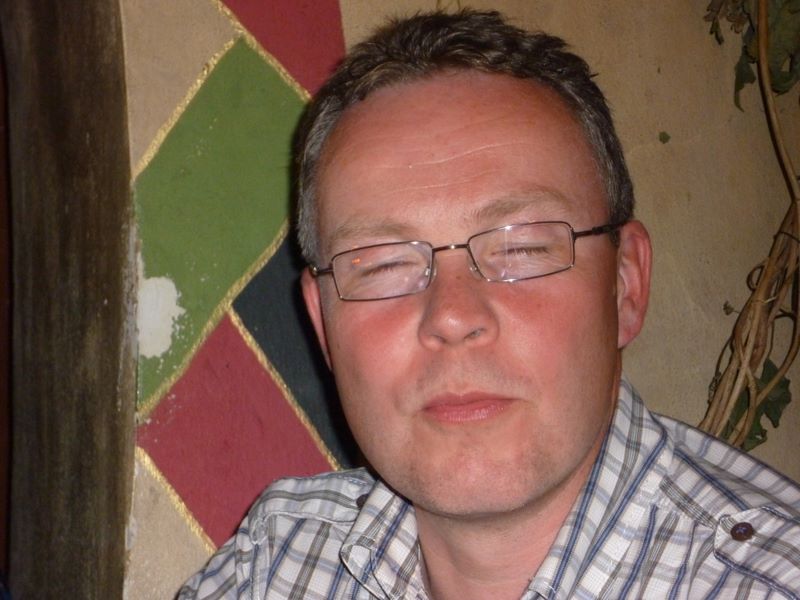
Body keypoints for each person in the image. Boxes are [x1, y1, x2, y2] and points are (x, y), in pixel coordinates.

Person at [179, 9, 800, 599]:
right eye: (385, 264)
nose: (452, 316)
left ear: (625, 284)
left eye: (521, 248)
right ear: (323, 325)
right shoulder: (278, 562)